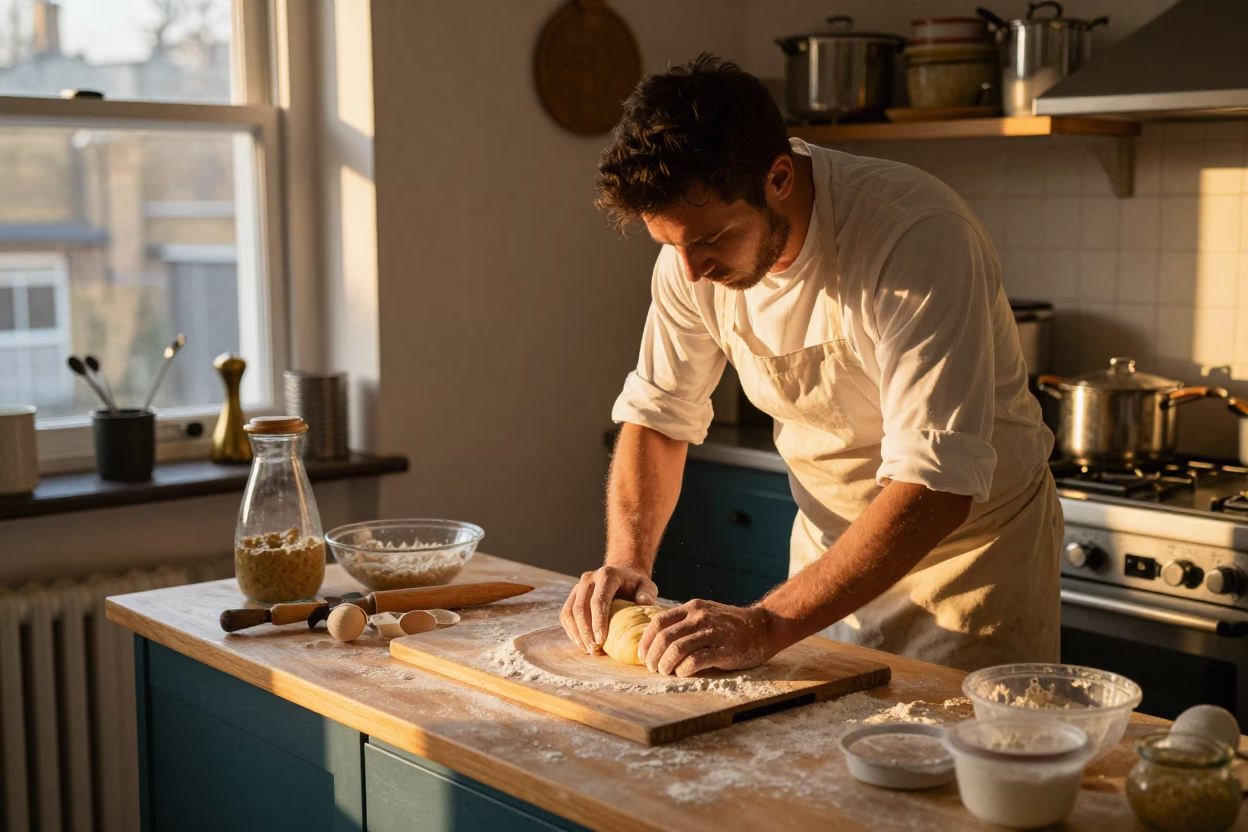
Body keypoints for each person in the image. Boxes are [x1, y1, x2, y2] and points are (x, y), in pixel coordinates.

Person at [561, 54, 1060, 676]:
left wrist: (767, 624)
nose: (692, 272)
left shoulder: (915, 236)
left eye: (712, 239)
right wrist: (627, 560)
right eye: (670, 245)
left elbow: (936, 486)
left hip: (967, 568)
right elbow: (658, 418)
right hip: (827, 569)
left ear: (777, 177)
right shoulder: (690, 261)